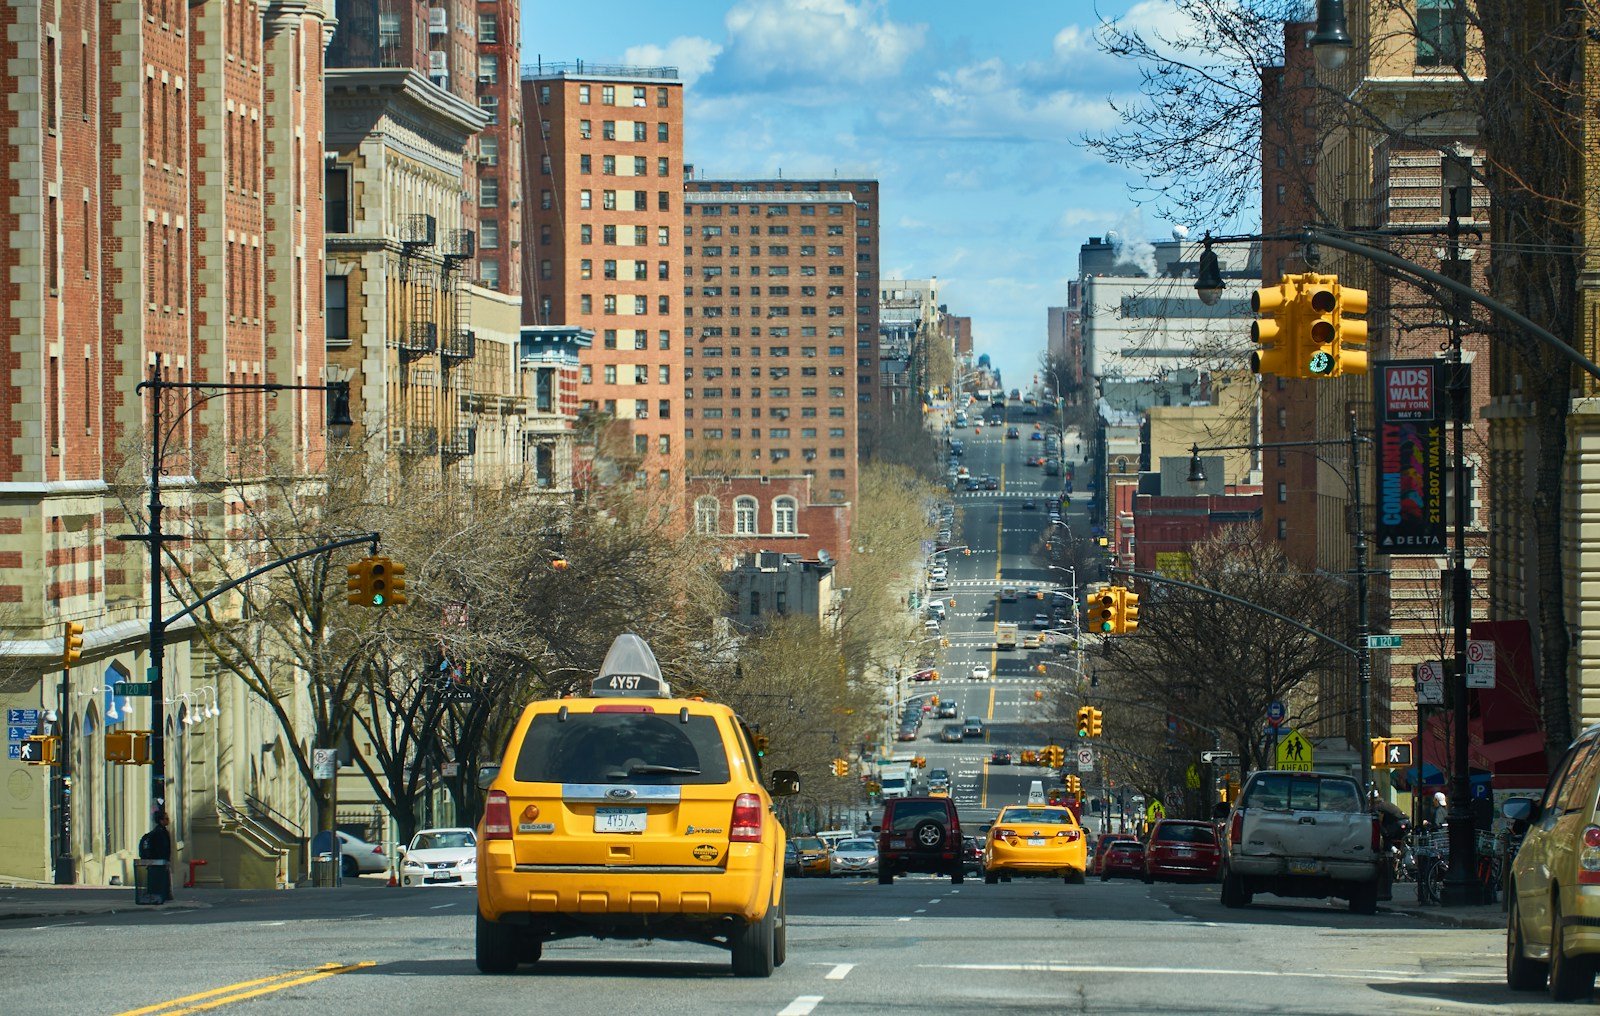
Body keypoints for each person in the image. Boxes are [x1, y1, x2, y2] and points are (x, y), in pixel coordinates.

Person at [138, 809, 173, 903]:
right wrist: (163, 859)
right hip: (158, 861)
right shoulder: (159, 833)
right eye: (166, 818)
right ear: (161, 820)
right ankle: (161, 896)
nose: (168, 820)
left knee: (159, 879)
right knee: (159, 880)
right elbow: (162, 848)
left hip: (158, 861)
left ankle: (162, 895)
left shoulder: (160, 831)